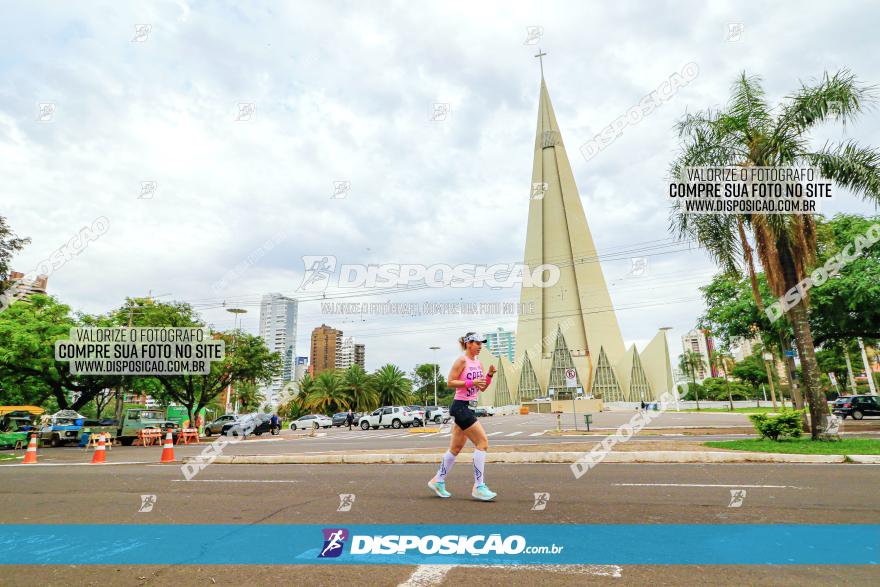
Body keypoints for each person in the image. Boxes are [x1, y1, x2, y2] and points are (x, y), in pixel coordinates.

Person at [427, 332, 498, 501]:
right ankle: (479, 486)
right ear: (468, 344)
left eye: (482, 343)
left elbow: (482, 388)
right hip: (460, 407)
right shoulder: (461, 361)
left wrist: (489, 375)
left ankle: (438, 480)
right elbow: (450, 382)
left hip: (469, 408)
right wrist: (470, 382)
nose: (480, 346)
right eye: (477, 343)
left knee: (455, 449)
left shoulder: (478, 363)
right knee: (482, 443)